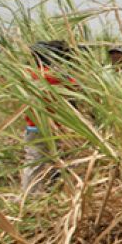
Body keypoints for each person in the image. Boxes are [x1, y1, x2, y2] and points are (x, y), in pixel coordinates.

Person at [22, 40, 76, 193]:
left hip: (33, 126)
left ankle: (34, 193)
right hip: (51, 128)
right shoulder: (53, 74)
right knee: (53, 159)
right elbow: (76, 85)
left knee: (34, 161)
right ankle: (35, 194)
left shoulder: (28, 73)